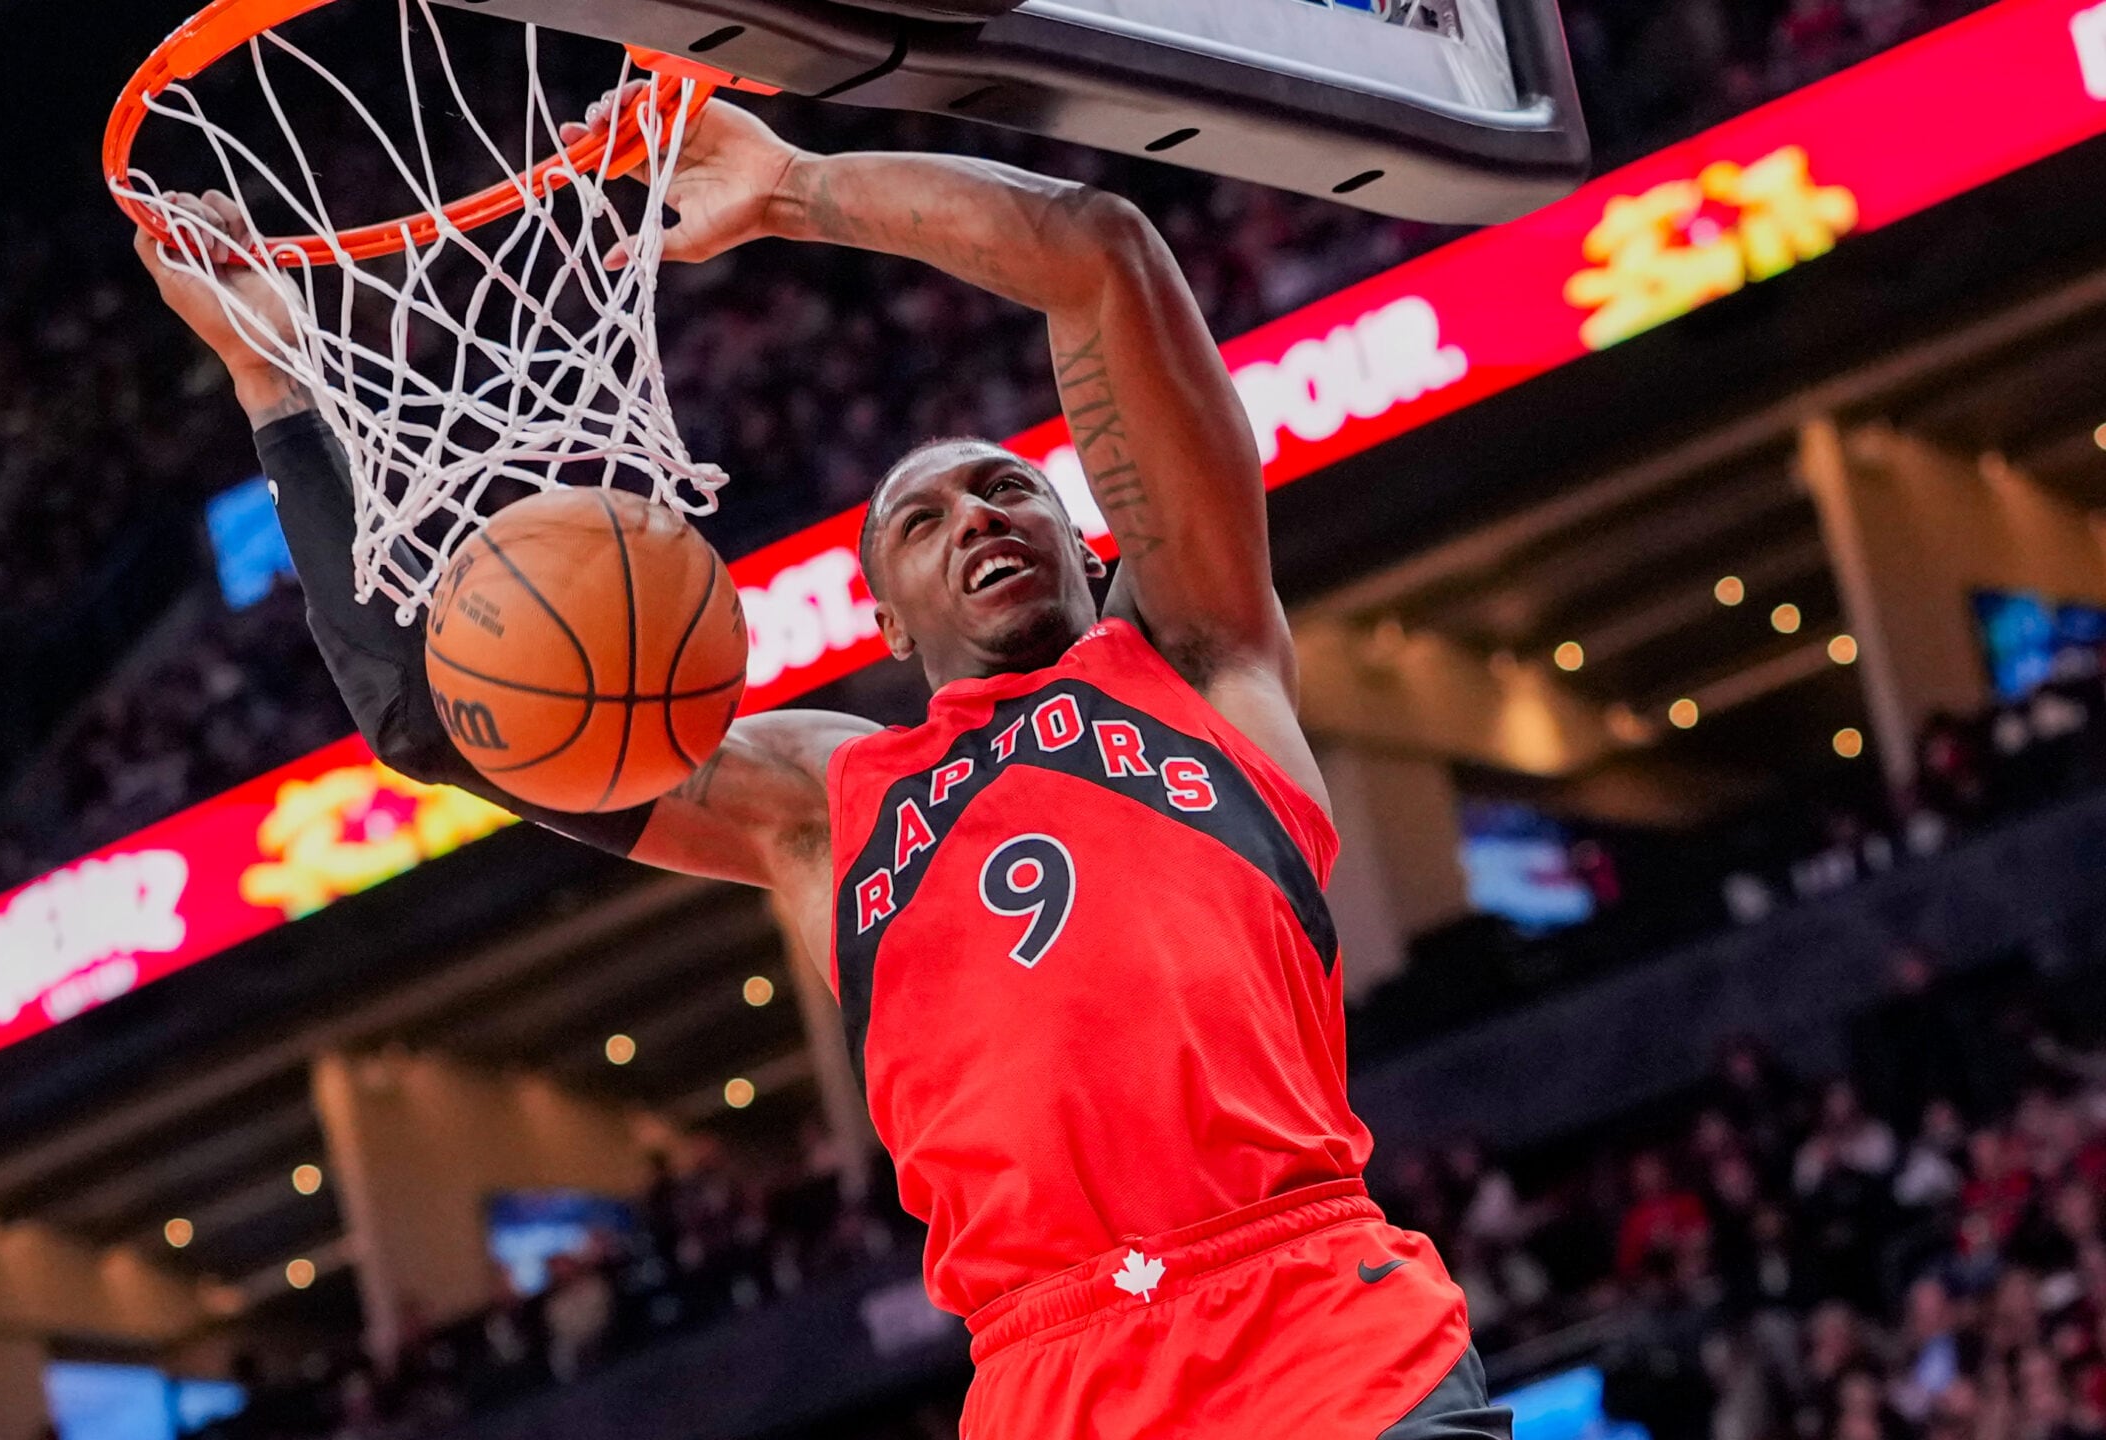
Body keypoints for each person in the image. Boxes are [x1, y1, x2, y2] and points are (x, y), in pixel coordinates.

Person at [136, 91, 1504, 1439]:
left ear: (1092, 543)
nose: (979, 515)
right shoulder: (823, 805)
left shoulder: (1197, 663)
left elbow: (1103, 254)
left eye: (1008, 488)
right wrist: (275, 386)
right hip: (1052, 1374)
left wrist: (795, 189)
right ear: (886, 621)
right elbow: (432, 723)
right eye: (923, 518)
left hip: (1316, 1324)